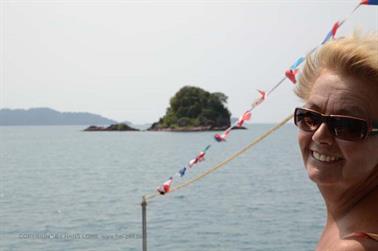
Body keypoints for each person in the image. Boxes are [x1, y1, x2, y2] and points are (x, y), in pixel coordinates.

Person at [293, 33, 378, 251]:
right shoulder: (348, 216)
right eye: (310, 117)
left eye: (347, 126)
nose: (320, 136)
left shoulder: (356, 246)